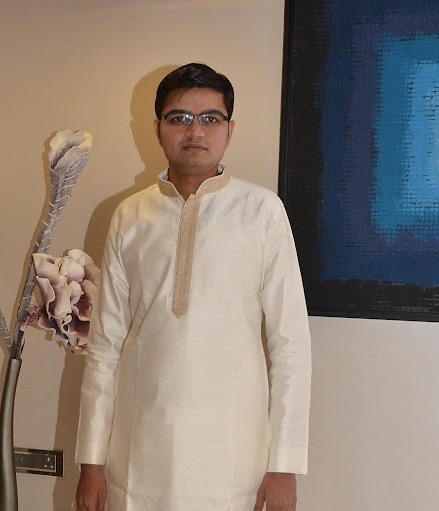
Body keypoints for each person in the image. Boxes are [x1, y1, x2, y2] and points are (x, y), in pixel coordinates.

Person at [75, 63, 311, 511]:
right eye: (179, 117)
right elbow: (104, 346)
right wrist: (91, 460)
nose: (195, 131)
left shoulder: (262, 212)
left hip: (232, 456)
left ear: (229, 130)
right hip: (137, 454)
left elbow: (291, 346)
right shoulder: (130, 216)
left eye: (210, 118)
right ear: (158, 129)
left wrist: (284, 465)